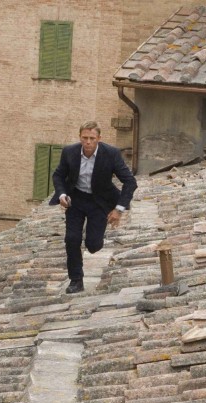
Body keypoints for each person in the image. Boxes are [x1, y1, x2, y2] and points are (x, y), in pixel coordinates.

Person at [49, 121, 137, 294]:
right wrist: (61, 194)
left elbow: (130, 182)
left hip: (100, 201)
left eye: (92, 138)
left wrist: (118, 209)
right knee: (72, 239)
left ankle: (95, 239)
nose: (88, 142)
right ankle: (76, 280)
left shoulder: (111, 154)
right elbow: (58, 175)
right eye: (85, 138)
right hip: (76, 199)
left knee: (93, 245)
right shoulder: (69, 152)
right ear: (80, 137)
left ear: (99, 138)